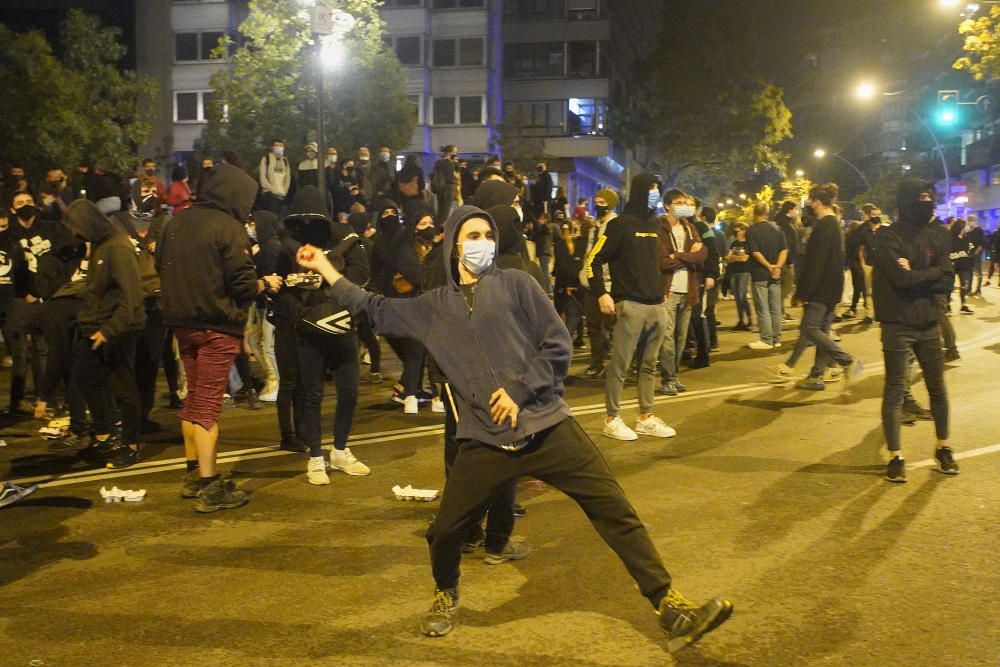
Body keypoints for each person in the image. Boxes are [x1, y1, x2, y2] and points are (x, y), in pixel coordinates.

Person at [295, 204, 733, 650]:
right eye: (472, 234)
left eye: (487, 234)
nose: (482, 242)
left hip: (546, 424)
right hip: (485, 439)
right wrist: (327, 267)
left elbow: (557, 343)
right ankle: (445, 594)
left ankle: (669, 604)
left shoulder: (518, 284)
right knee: (445, 530)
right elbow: (373, 306)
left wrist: (520, 390)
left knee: (614, 509)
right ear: (452, 244)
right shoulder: (432, 308)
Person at [158, 163, 282, 511]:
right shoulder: (229, 228)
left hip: (181, 322)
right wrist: (264, 284)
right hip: (217, 325)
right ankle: (210, 485)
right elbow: (242, 285)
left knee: (194, 398)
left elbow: (160, 266)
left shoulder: (176, 222)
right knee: (209, 407)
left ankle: (192, 472)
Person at [282, 185, 371, 483]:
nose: (307, 226)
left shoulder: (346, 237)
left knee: (349, 392)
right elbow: (280, 284)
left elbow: (362, 275)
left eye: (314, 219)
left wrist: (324, 275)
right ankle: (316, 457)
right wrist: (299, 304)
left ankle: (341, 450)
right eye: (301, 219)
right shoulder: (289, 242)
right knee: (312, 395)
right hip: (309, 331)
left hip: (344, 327)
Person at [873, 178, 957, 483]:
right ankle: (896, 456)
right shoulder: (886, 236)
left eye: (929, 197)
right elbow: (899, 279)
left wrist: (919, 273)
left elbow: (948, 278)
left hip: (929, 322)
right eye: (920, 197)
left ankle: (943, 447)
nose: (927, 202)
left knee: (937, 388)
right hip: (897, 324)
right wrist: (932, 275)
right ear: (906, 200)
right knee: (895, 390)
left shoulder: (938, 235)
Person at [586, 174, 677, 442]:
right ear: (638, 191)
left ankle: (645, 417)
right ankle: (612, 418)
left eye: (658, 190)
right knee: (620, 364)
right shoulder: (619, 225)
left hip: (657, 305)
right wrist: (602, 293)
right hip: (630, 305)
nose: (655, 194)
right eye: (651, 189)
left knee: (649, 365)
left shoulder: (655, 224)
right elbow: (593, 260)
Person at [63, 199, 146, 470]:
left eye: (78, 228)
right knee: (86, 377)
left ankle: (130, 445)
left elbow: (131, 298)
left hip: (119, 329)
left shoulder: (118, 248)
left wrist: (109, 331)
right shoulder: (100, 245)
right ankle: (104, 434)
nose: (77, 235)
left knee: (123, 386)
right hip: (98, 327)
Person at [768, 183, 863, 391]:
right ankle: (816, 375)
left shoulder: (825, 225)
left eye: (810, 201)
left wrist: (803, 292)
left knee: (809, 329)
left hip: (821, 289)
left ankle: (847, 361)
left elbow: (816, 263)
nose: (808, 205)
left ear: (817, 202)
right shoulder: (833, 224)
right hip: (831, 287)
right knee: (822, 331)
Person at [654, 190, 706, 396]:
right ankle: (668, 378)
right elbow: (662, 261)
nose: (683, 206)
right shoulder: (659, 229)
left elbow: (702, 255)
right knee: (667, 338)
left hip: (689, 290)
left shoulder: (691, 228)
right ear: (667, 205)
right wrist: (689, 255)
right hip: (669, 290)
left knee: (681, 338)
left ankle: (673, 376)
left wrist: (679, 255)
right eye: (678, 202)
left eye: (685, 202)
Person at [579, 188, 618, 378]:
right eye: (596, 201)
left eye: (602, 202)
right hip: (590, 284)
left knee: (613, 327)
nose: (598, 205)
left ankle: (619, 365)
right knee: (593, 328)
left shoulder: (616, 225)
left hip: (609, 285)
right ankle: (597, 363)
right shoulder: (594, 226)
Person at [745, 201, 787, 350]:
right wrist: (778, 267)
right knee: (775, 308)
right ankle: (777, 338)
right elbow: (784, 250)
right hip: (775, 274)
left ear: (754, 212)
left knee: (762, 308)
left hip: (759, 273)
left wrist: (769, 266)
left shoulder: (751, 231)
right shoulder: (777, 229)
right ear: (767, 213)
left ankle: (766, 339)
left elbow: (755, 252)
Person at [857, 204, 883, 324]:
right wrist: (862, 263)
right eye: (874, 215)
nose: (876, 217)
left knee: (882, 290)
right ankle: (869, 314)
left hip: (882, 265)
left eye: (878, 215)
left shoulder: (885, 231)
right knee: (869, 291)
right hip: (869, 264)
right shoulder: (865, 232)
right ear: (869, 216)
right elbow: (862, 249)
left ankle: (882, 312)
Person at [725, 222, 753, 330]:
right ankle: (741, 320)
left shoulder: (748, 243)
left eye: (740, 230)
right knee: (737, 298)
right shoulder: (734, 243)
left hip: (744, 272)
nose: (737, 232)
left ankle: (750, 319)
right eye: (736, 230)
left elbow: (744, 259)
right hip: (733, 272)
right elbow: (728, 257)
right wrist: (736, 258)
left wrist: (734, 258)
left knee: (742, 296)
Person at [258, 139, 292, 217]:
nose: (279, 148)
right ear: (272, 147)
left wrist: (284, 191)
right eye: (276, 146)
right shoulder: (266, 159)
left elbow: (288, 179)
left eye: (281, 146)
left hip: (282, 195)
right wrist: (273, 190)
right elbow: (263, 178)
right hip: (269, 194)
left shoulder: (285, 161)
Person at [949, 218, 975, 315]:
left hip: (964, 265)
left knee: (964, 286)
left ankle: (963, 306)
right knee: (950, 286)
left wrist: (969, 255)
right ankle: (947, 305)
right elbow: (948, 251)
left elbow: (971, 249)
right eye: (966, 225)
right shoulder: (951, 238)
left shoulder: (967, 238)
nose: (968, 227)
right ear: (961, 227)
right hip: (952, 265)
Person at [431, 145, 459, 226]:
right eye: (455, 152)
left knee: (440, 211)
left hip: (439, 189)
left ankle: (436, 228)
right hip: (448, 190)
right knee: (445, 213)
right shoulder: (449, 163)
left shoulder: (438, 162)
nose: (456, 154)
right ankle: (441, 231)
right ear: (450, 153)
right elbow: (450, 179)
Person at [966, 214, 985, 296]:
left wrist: (976, 252)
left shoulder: (979, 230)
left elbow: (982, 243)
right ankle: (969, 289)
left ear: (975, 221)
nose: (971, 222)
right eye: (969, 221)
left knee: (978, 272)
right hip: (969, 254)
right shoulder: (968, 231)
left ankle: (978, 289)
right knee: (969, 272)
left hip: (976, 254)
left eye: (972, 220)